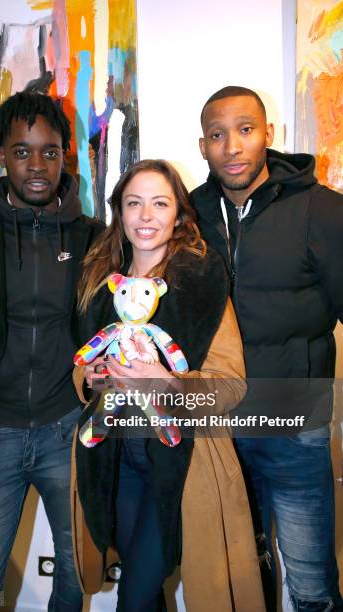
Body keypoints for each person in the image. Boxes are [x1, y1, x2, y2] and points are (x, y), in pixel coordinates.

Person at [71, 159, 266, 612]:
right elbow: (80, 362)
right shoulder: (101, 279)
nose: (145, 216)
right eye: (133, 203)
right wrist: (92, 376)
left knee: (133, 598)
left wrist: (168, 382)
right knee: (146, 597)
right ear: (118, 211)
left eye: (160, 203)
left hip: (181, 466)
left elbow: (231, 384)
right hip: (114, 461)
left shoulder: (202, 279)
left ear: (178, 214)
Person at [0, 92, 103, 611]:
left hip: (67, 435)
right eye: (21, 151)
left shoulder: (93, 238)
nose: (36, 165)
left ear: (65, 156)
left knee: (77, 580)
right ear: (0, 154)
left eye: (49, 152)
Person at [191, 85, 343, 612]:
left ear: (268, 135)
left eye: (245, 129)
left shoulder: (321, 211)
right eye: (217, 134)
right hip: (217, 428)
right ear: (203, 146)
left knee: (311, 584)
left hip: (294, 425)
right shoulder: (189, 218)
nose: (232, 145)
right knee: (241, 579)